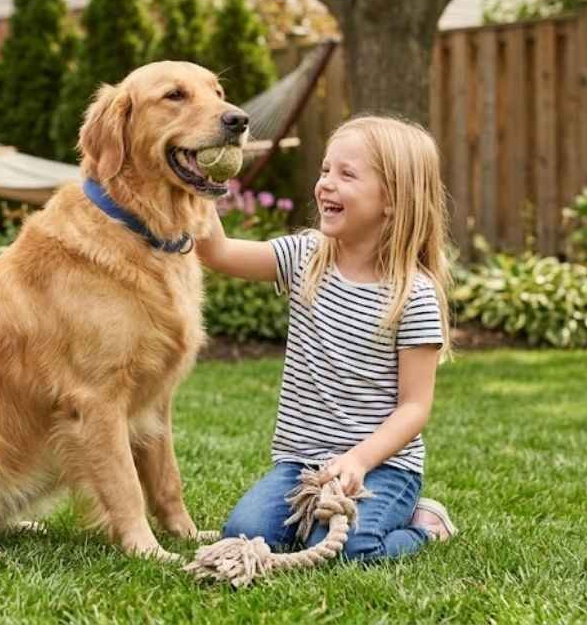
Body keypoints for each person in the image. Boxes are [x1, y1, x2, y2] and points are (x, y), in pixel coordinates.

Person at [196, 114, 458, 563]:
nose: (325, 184)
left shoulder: (412, 294)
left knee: (347, 550)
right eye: (324, 170)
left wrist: (358, 461)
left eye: (346, 174)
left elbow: (415, 407)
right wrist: (199, 183)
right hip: (303, 466)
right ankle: (320, 517)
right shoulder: (305, 257)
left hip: (383, 468)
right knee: (243, 533)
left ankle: (425, 527)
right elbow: (217, 252)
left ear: (391, 200)